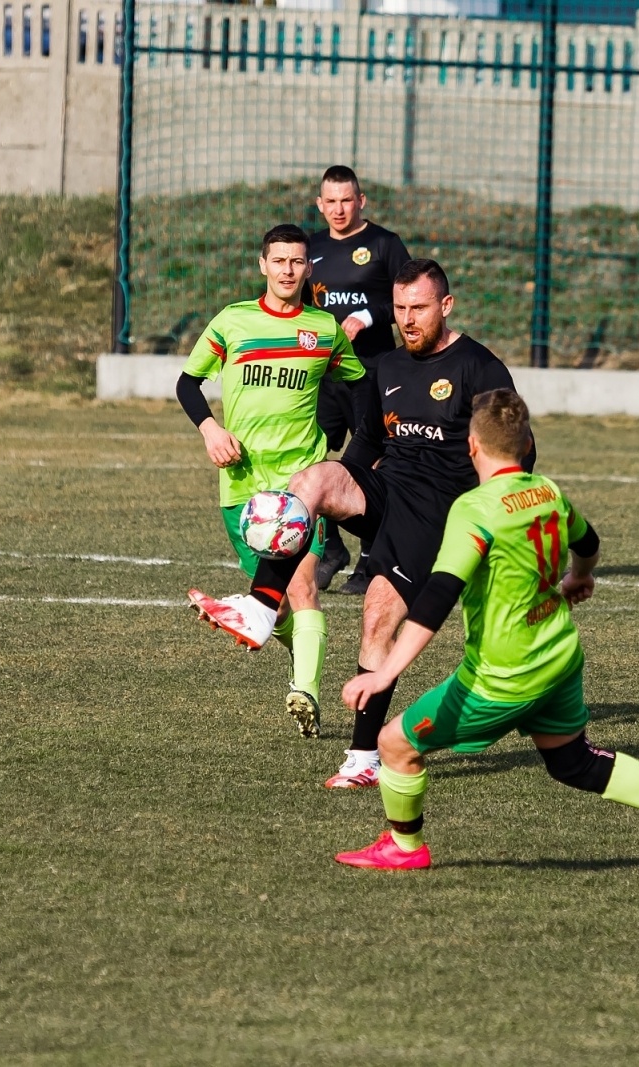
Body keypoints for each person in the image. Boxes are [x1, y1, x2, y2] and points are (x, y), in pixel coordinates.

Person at [334, 389, 639, 883]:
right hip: (558, 657)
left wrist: (385, 675)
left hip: (503, 675)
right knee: (572, 763)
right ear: (526, 444)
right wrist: (579, 575)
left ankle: (404, 847)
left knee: (394, 743)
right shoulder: (547, 491)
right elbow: (588, 541)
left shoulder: (476, 507)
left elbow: (439, 595)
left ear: (472, 448)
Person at [189, 259, 527, 789]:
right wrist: (338, 486)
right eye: (399, 309)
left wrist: (497, 521)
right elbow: (368, 443)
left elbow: (516, 453)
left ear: (446, 305)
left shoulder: (480, 369)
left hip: (437, 512)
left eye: (418, 308)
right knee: (313, 479)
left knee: (377, 617)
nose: (408, 319)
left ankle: (365, 756)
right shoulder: (388, 368)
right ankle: (261, 605)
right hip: (387, 489)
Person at [178, 224, 370, 740]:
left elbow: (360, 387)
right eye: (279, 260)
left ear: (310, 268)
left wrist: (361, 454)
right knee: (276, 604)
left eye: (297, 261)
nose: (288, 270)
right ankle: (288, 646)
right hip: (242, 487)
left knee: (303, 586)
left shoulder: (323, 329)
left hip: (299, 488)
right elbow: (187, 382)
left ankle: (304, 689)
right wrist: (210, 429)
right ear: (262, 265)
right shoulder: (233, 322)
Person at [306, 165, 410, 594]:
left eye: (346, 200)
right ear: (319, 204)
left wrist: (367, 316)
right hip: (322, 376)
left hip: (372, 374)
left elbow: (408, 299)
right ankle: (329, 549)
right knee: (308, 456)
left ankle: (370, 560)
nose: (338, 209)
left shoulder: (385, 245)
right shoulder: (309, 248)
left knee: (370, 463)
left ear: (361, 200)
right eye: (330, 201)